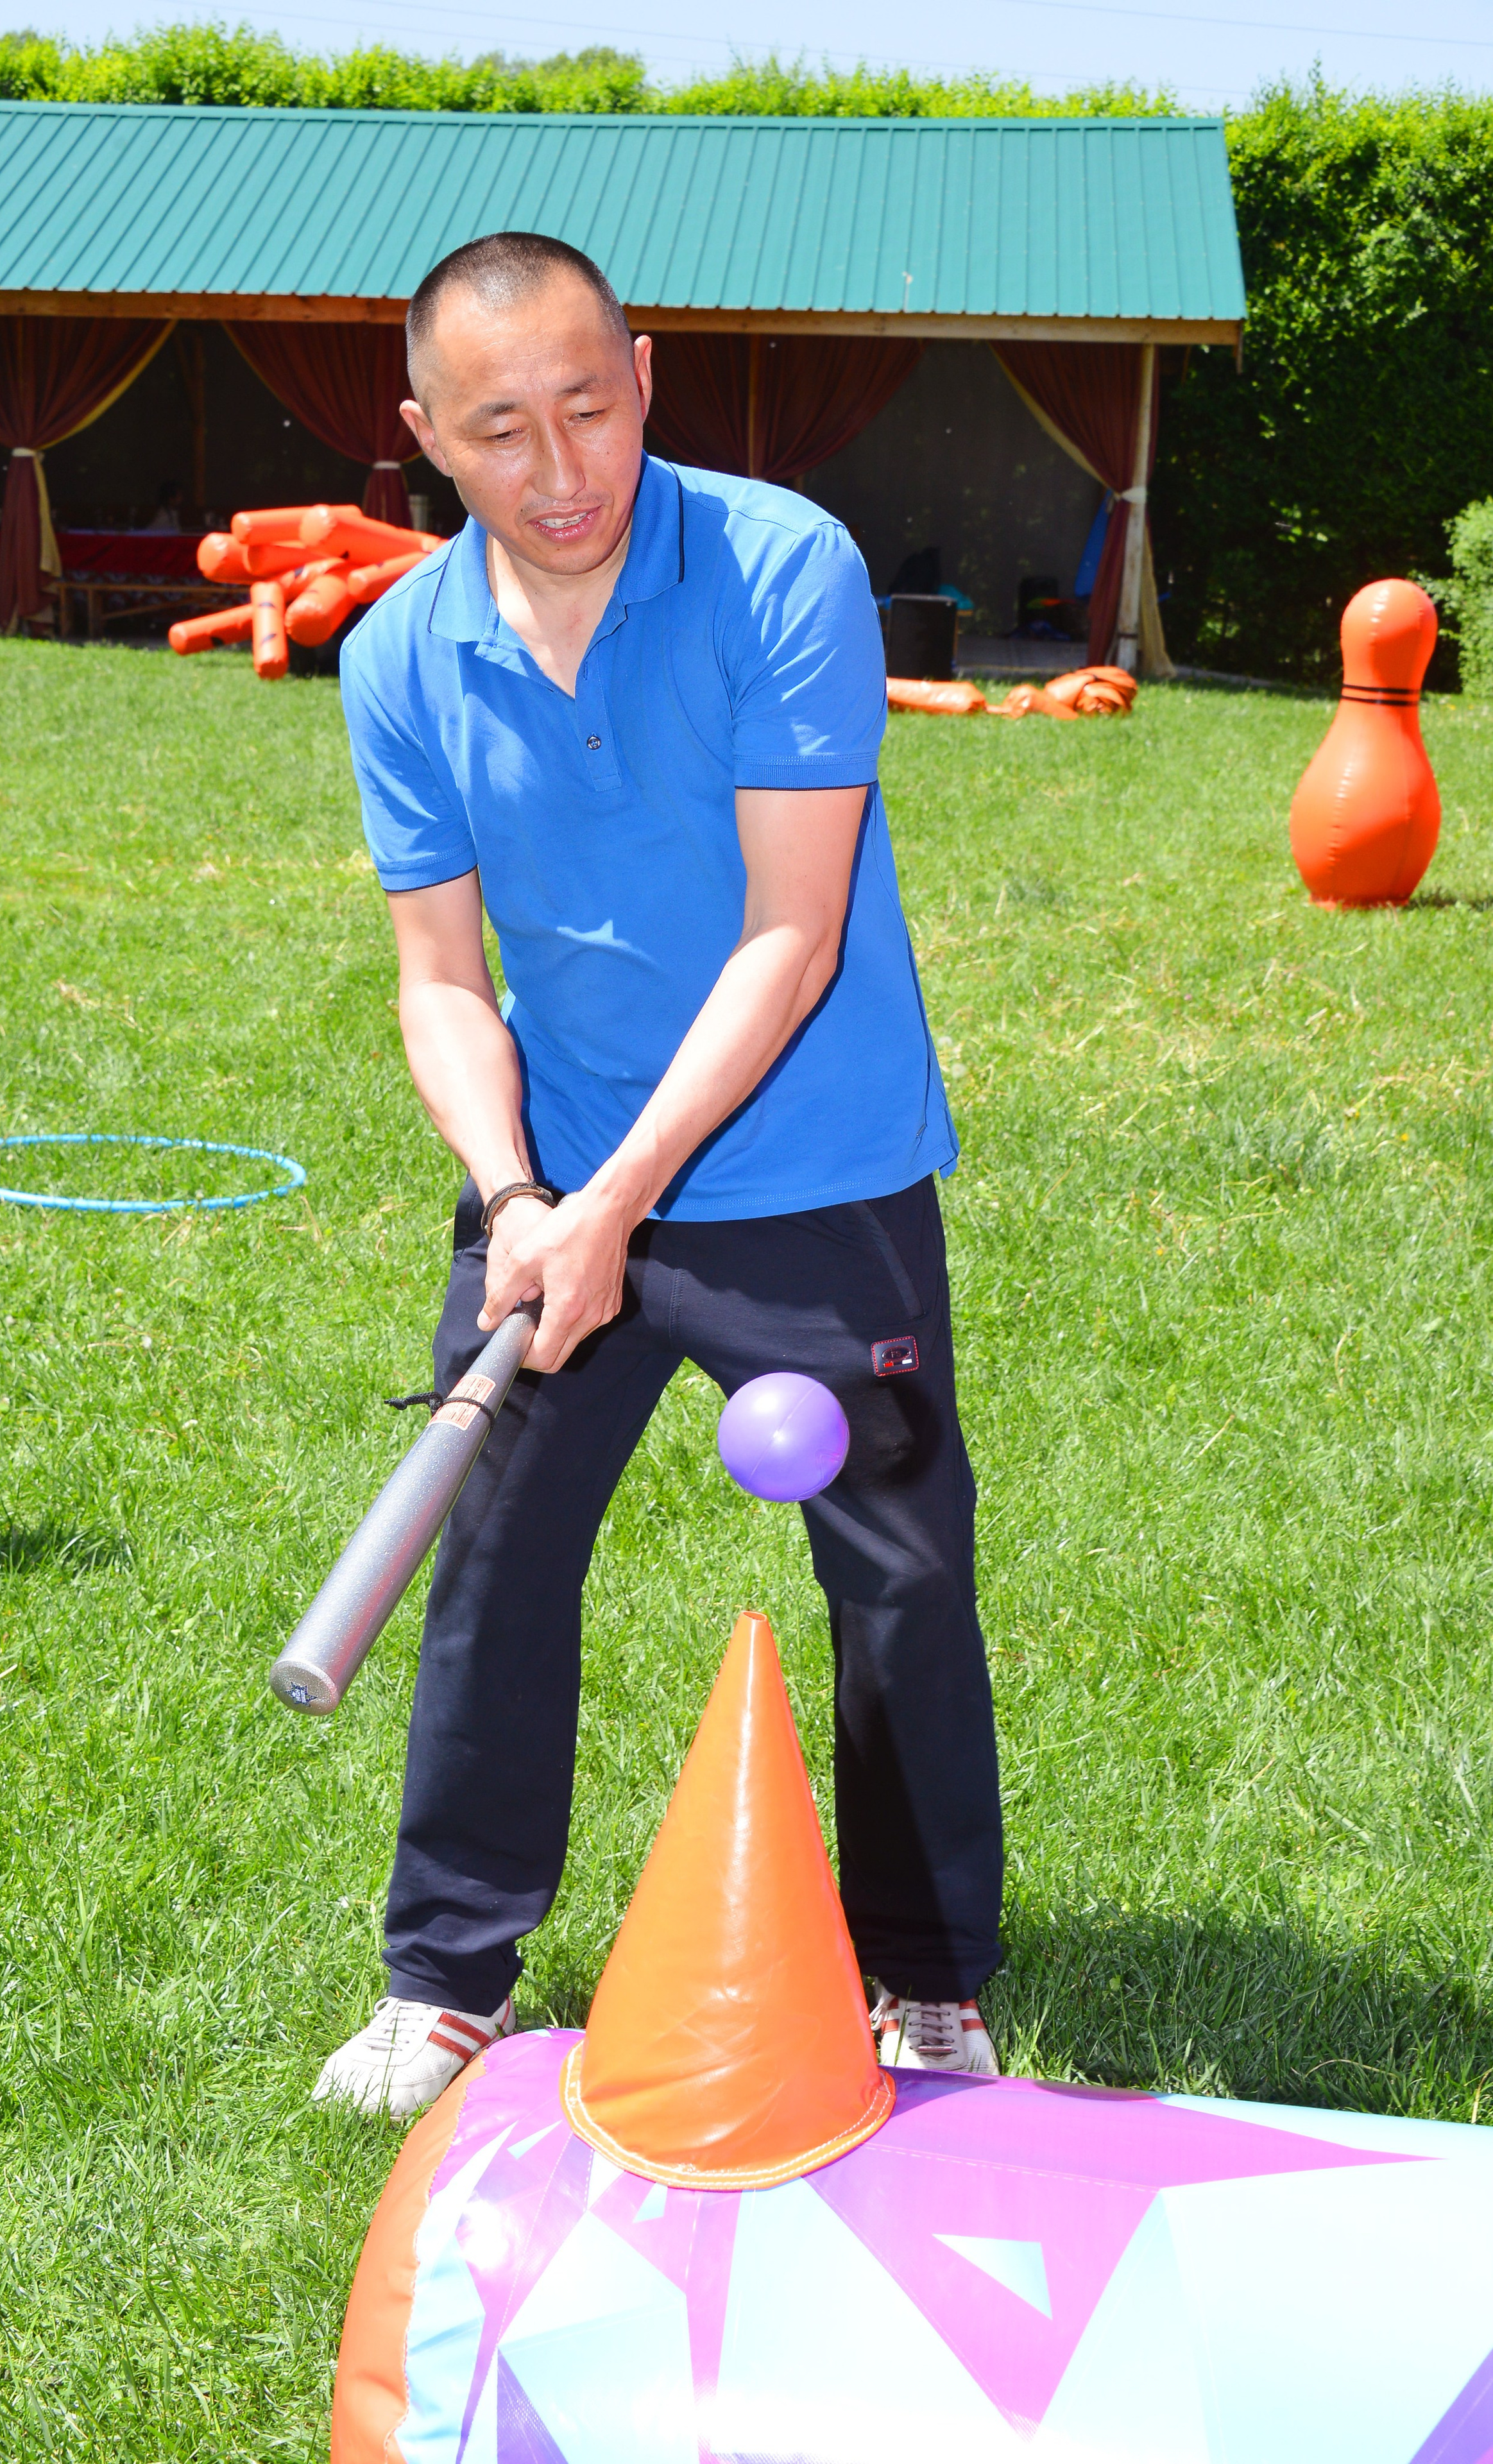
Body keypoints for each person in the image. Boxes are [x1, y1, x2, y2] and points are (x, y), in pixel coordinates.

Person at [315, 232, 1004, 2121]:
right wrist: (521, 1194)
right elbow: (441, 980)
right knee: (500, 1557)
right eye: (501, 432)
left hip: (812, 1159)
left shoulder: (782, 566)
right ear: (424, 441)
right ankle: (445, 1976)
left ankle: (928, 1977)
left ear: (645, 366)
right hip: (551, 1182)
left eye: (589, 408)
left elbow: (792, 932)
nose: (559, 471)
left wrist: (614, 1198)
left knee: (895, 1564)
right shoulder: (398, 655)